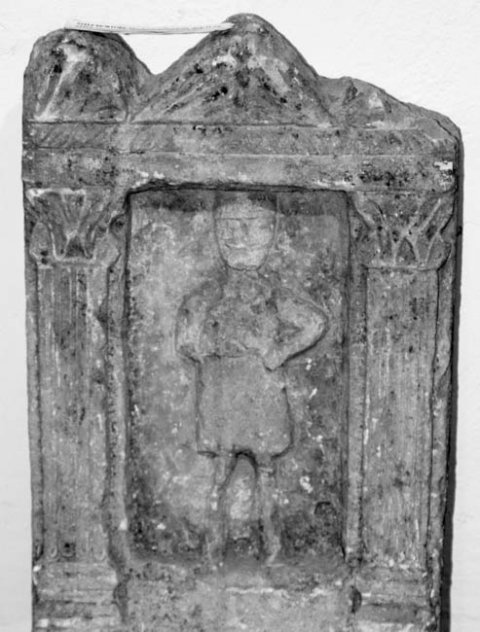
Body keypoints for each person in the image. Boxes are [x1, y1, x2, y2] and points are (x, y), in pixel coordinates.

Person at [176, 193, 327, 565]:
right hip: (223, 392)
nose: (241, 237)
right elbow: (187, 340)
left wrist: (278, 352)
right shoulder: (208, 295)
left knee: (265, 469)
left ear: (271, 232)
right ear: (217, 231)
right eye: (230, 226)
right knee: (221, 471)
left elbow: (315, 321)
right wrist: (213, 345)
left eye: (255, 226)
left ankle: (272, 547)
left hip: (261, 392)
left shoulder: (272, 295)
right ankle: (213, 549)